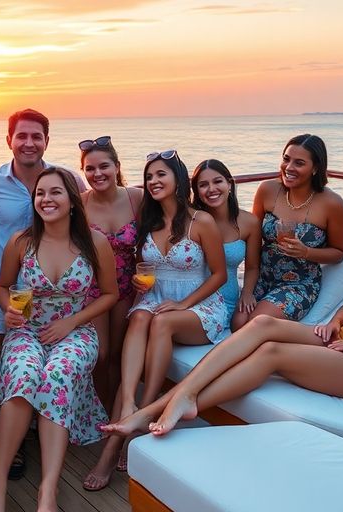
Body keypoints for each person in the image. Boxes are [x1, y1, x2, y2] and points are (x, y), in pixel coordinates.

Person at [102, 199, 343, 438]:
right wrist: (335, 321)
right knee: (261, 325)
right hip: (339, 338)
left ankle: (166, 407)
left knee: (272, 353)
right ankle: (181, 399)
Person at [88, 150, 229, 491]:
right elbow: (145, 269)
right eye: (149, 176)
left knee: (160, 323)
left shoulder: (201, 222)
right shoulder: (147, 223)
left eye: (161, 175)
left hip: (199, 304)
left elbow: (220, 275)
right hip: (155, 298)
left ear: (179, 180)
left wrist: (182, 304)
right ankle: (128, 405)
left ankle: (140, 414)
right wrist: (140, 285)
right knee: (138, 321)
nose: (153, 181)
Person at [0, 168, 117, 512]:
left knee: (58, 374)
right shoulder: (21, 241)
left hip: (75, 330)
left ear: (72, 201)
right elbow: (2, 288)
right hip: (27, 330)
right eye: (40, 193)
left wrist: (72, 321)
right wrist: (9, 310)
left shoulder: (95, 242)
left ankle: (48, 491)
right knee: (24, 375)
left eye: (55, 192)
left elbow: (109, 294)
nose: (47, 199)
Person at [0, 108, 86, 479]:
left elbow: (90, 209)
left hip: (62, 294)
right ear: (9, 140)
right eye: (21, 136)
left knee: (52, 373)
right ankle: (18, 445)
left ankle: (47, 434)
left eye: (36, 136)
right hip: (14, 301)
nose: (28, 143)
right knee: (12, 374)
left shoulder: (64, 180)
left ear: (46, 141)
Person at [250, 134, 343, 323]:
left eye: (299, 163)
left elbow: (339, 253)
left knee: (256, 322)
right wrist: (248, 286)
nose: (289, 168)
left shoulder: (333, 204)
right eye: (286, 159)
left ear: (316, 168)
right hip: (262, 277)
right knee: (238, 322)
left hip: (299, 284)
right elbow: (252, 240)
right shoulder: (267, 190)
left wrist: (306, 252)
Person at [77, 135, 143, 413]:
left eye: (103, 166)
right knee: (100, 355)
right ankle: (100, 410)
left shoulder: (137, 197)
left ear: (117, 166)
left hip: (129, 285)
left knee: (118, 354)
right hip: (94, 290)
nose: (97, 173)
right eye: (90, 169)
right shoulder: (79, 204)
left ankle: (115, 413)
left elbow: (156, 239)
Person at [192, 159, 262, 330]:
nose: (211, 189)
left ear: (229, 184)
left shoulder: (249, 222)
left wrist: (246, 293)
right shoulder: (191, 220)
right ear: (197, 191)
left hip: (228, 300)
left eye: (217, 181)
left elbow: (252, 267)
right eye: (203, 185)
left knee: (241, 323)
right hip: (193, 297)